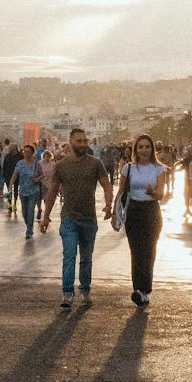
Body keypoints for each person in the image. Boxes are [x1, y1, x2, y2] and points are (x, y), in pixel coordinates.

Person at [41, 128, 114, 309]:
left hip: (89, 219)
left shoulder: (96, 163)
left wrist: (108, 204)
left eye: (85, 141)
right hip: (69, 218)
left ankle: (85, 288)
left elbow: (107, 185)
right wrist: (46, 216)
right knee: (69, 254)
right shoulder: (61, 166)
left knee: (86, 258)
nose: (83, 144)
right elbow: (52, 192)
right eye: (79, 141)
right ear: (71, 142)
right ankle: (67, 293)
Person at [118, 133, 170, 307]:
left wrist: (152, 192)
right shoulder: (128, 168)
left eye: (147, 146)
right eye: (140, 147)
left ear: (152, 149)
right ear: (135, 149)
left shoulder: (159, 169)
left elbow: (161, 194)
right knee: (136, 251)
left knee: (148, 251)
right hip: (133, 211)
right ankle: (138, 290)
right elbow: (121, 192)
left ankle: (145, 289)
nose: (144, 150)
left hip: (151, 212)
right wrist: (115, 213)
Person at [10, 143, 43, 238]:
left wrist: (37, 179)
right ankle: (28, 224)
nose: (26, 153)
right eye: (25, 152)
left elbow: (42, 174)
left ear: (32, 153)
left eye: (28, 152)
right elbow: (15, 175)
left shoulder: (37, 163)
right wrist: (10, 186)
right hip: (23, 191)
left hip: (33, 191)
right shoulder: (19, 163)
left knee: (30, 210)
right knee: (24, 212)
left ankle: (29, 230)